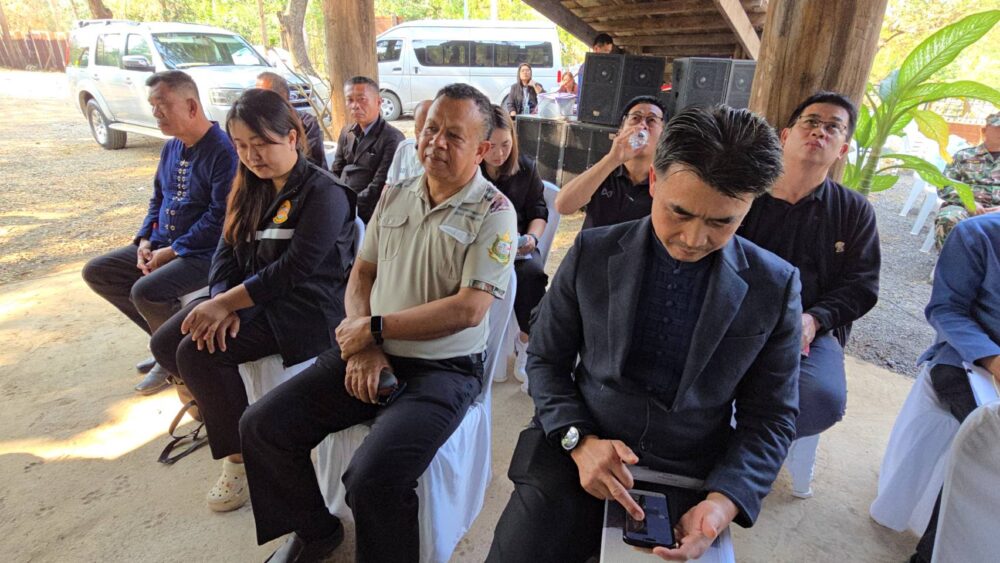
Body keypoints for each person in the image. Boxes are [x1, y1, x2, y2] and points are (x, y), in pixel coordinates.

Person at [487, 105, 799, 562]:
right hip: (578, 443)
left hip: (690, 472)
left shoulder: (774, 285)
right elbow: (546, 360)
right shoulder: (593, 252)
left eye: (722, 222)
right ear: (654, 180)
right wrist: (578, 441)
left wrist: (722, 502)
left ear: (749, 206)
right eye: (679, 212)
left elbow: (771, 416)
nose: (693, 238)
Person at [238, 83, 518, 562]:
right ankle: (315, 531)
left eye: (454, 135)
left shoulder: (495, 212)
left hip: (443, 370)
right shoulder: (397, 192)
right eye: (431, 129)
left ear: (482, 150)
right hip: (372, 347)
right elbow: (361, 274)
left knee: (372, 478)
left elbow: (469, 309)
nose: (436, 142)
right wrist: (366, 344)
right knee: (262, 425)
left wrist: (373, 330)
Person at [149, 88, 356, 512]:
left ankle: (241, 459)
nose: (250, 156)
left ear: (292, 138)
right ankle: (226, 414)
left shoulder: (324, 192)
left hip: (305, 309)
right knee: (165, 343)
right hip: (253, 297)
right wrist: (220, 298)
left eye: (261, 144)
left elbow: (295, 268)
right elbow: (225, 250)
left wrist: (230, 305)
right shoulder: (249, 186)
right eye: (241, 146)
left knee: (198, 354)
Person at [737, 92, 880, 491]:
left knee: (822, 396)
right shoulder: (746, 195)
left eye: (833, 127)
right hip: (732, 318)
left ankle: (747, 455)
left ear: (842, 149)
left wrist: (815, 320)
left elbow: (862, 285)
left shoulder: (854, 211)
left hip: (808, 332)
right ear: (785, 135)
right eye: (811, 122)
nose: (820, 132)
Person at [82, 70, 237, 395]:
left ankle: (172, 359)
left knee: (146, 292)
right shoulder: (171, 149)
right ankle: (162, 345)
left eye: (162, 104)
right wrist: (145, 241)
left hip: (205, 252)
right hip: (164, 244)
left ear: (191, 106)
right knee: (98, 271)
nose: (155, 112)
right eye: (152, 105)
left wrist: (173, 251)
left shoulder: (223, 151)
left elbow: (219, 218)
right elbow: (158, 198)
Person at [908, 212, 1000, 563]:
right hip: (966, 362)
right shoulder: (977, 235)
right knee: (991, 438)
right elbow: (946, 310)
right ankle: (931, 556)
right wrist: (993, 360)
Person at [481, 105, 548, 387]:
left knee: (532, 275)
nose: (499, 153)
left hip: (517, 245)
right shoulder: (469, 169)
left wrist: (532, 239)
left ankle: (525, 340)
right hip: (478, 244)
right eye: (491, 146)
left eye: (506, 145)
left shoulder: (526, 168)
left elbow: (539, 211)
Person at [554, 95, 665, 228]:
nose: (642, 126)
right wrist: (612, 159)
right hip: (594, 242)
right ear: (620, 131)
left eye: (651, 120)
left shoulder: (664, 181)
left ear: (663, 135)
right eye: (635, 118)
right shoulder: (604, 170)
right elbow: (563, 206)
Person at [331, 76, 405, 223]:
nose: (355, 106)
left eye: (362, 99)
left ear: (378, 102)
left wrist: (347, 206)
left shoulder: (392, 138)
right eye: (350, 100)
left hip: (367, 212)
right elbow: (336, 171)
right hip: (340, 203)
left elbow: (379, 186)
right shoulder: (346, 132)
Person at [933, 112, 1000, 248]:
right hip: (963, 207)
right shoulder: (964, 156)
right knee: (948, 219)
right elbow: (944, 185)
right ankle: (951, 260)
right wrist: (968, 202)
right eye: (998, 128)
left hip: (996, 213)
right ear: (985, 130)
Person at [255, 71, 328, 169]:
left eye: (262, 96)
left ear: (282, 96)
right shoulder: (254, 124)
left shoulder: (306, 123)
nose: (256, 100)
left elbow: (314, 164)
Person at [385, 99, 433, 185]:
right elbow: (389, 185)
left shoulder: (441, 159)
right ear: (415, 130)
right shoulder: (404, 148)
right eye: (420, 130)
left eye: (431, 129)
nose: (423, 136)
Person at [575, 33, 616, 106]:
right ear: (596, 48)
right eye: (605, 50)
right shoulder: (585, 68)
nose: (608, 54)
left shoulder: (606, 69)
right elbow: (583, 95)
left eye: (609, 51)